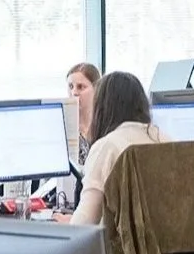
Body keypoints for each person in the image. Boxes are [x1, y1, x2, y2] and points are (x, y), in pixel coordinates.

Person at [69, 71, 170, 227]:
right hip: (167, 240)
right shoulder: (165, 140)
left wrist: (67, 223)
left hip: (123, 242)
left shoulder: (108, 147)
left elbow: (83, 223)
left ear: (102, 108)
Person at [65, 62, 100, 165]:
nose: (74, 92)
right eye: (71, 86)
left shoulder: (105, 128)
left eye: (80, 87)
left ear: (96, 89)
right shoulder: (63, 129)